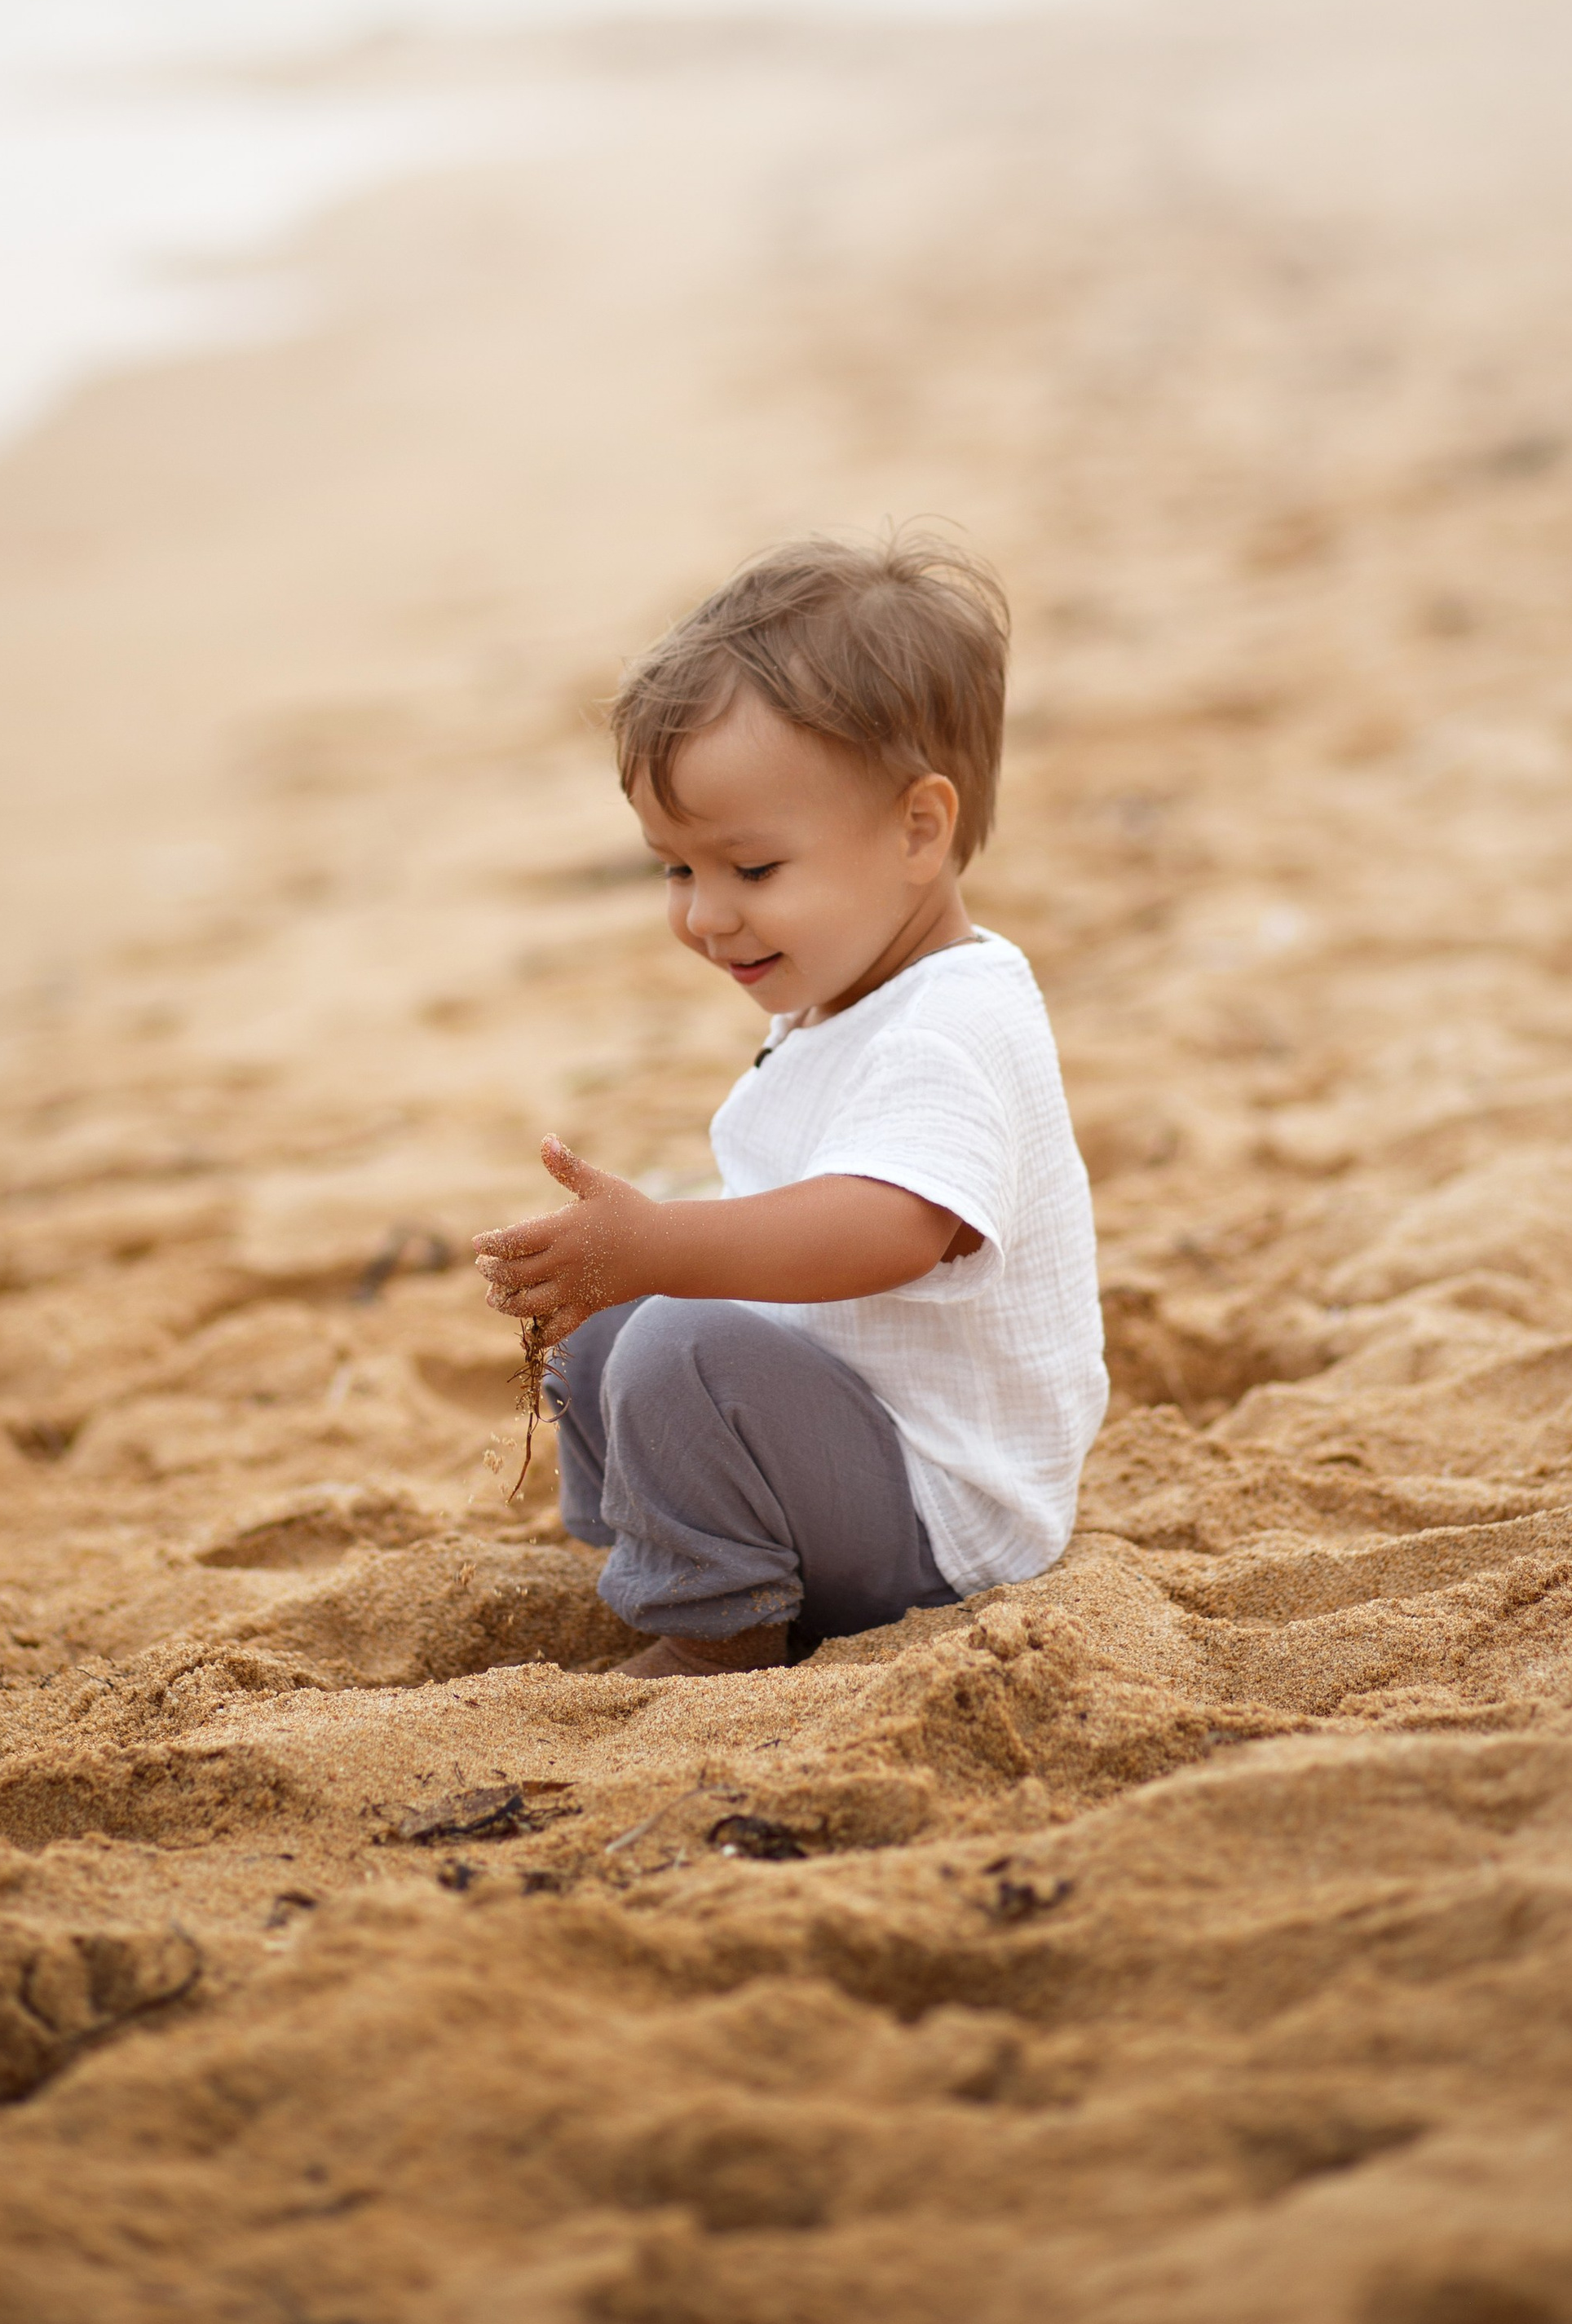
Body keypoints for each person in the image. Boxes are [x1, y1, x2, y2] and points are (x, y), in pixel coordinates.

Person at [473, 533, 1106, 1678]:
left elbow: (891, 1227)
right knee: (620, 1317)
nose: (707, 916)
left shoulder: (949, 1022)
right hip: (853, 1448)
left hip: (942, 1521)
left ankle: (723, 1633)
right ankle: (663, 1555)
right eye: (677, 869)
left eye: (752, 871)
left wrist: (662, 1242)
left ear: (920, 829)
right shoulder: (850, 992)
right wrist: (633, 1254)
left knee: (675, 1330)